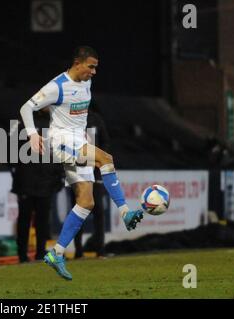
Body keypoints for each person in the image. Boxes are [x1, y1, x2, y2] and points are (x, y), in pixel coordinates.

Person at [19, 46, 144, 280]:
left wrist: (84, 133)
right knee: (106, 159)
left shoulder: (86, 83)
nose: (94, 72)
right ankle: (126, 211)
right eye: (91, 66)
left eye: (96, 67)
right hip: (61, 142)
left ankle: (56, 253)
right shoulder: (56, 86)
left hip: (78, 139)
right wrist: (32, 134)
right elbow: (26, 107)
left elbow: (78, 114)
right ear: (77, 63)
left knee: (86, 202)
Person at [11, 111, 64, 263]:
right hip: (26, 180)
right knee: (25, 219)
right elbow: (10, 148)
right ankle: (22, 254)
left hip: (46, 180)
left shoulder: (56, 123)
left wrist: (59, 175)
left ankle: (40, 252)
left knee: (42, 220)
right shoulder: (20, 122)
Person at [73, 105, 111, 258]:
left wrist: (99, 160)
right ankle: (78, 251)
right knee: (78, 212)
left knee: (99, 212)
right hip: (77, 174)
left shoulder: (96, 119)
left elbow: (105, 142)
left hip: (94, 173)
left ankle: (100, 251)